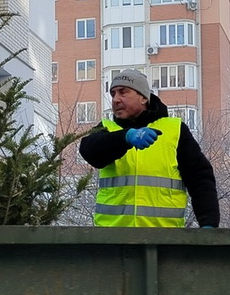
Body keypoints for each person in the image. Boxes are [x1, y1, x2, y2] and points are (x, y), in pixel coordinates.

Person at [79, 68, 220, 228]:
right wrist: (125, 137)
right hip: (113, 239)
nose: (116, 99)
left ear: (143, 98)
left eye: (123, 92)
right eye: (113, 94)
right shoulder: (107, 128)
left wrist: (209, 224)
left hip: (165, 239)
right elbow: (89, 151)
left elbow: (200, 178)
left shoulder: (174, 130)